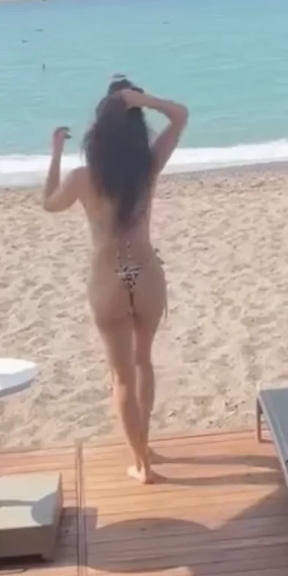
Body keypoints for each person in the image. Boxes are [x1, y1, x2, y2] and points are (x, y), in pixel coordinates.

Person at [42, 78, 188, 484]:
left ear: (99, 129)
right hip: (147, 274)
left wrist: (55, 153)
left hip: (108, 279)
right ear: (137, 126)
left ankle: (142, 463)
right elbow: (180, 114)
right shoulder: (148, 167)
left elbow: (48, 203)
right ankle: (145, 444)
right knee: (143, 362)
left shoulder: (83, 178)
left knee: (121, 376)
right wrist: (137, 100)